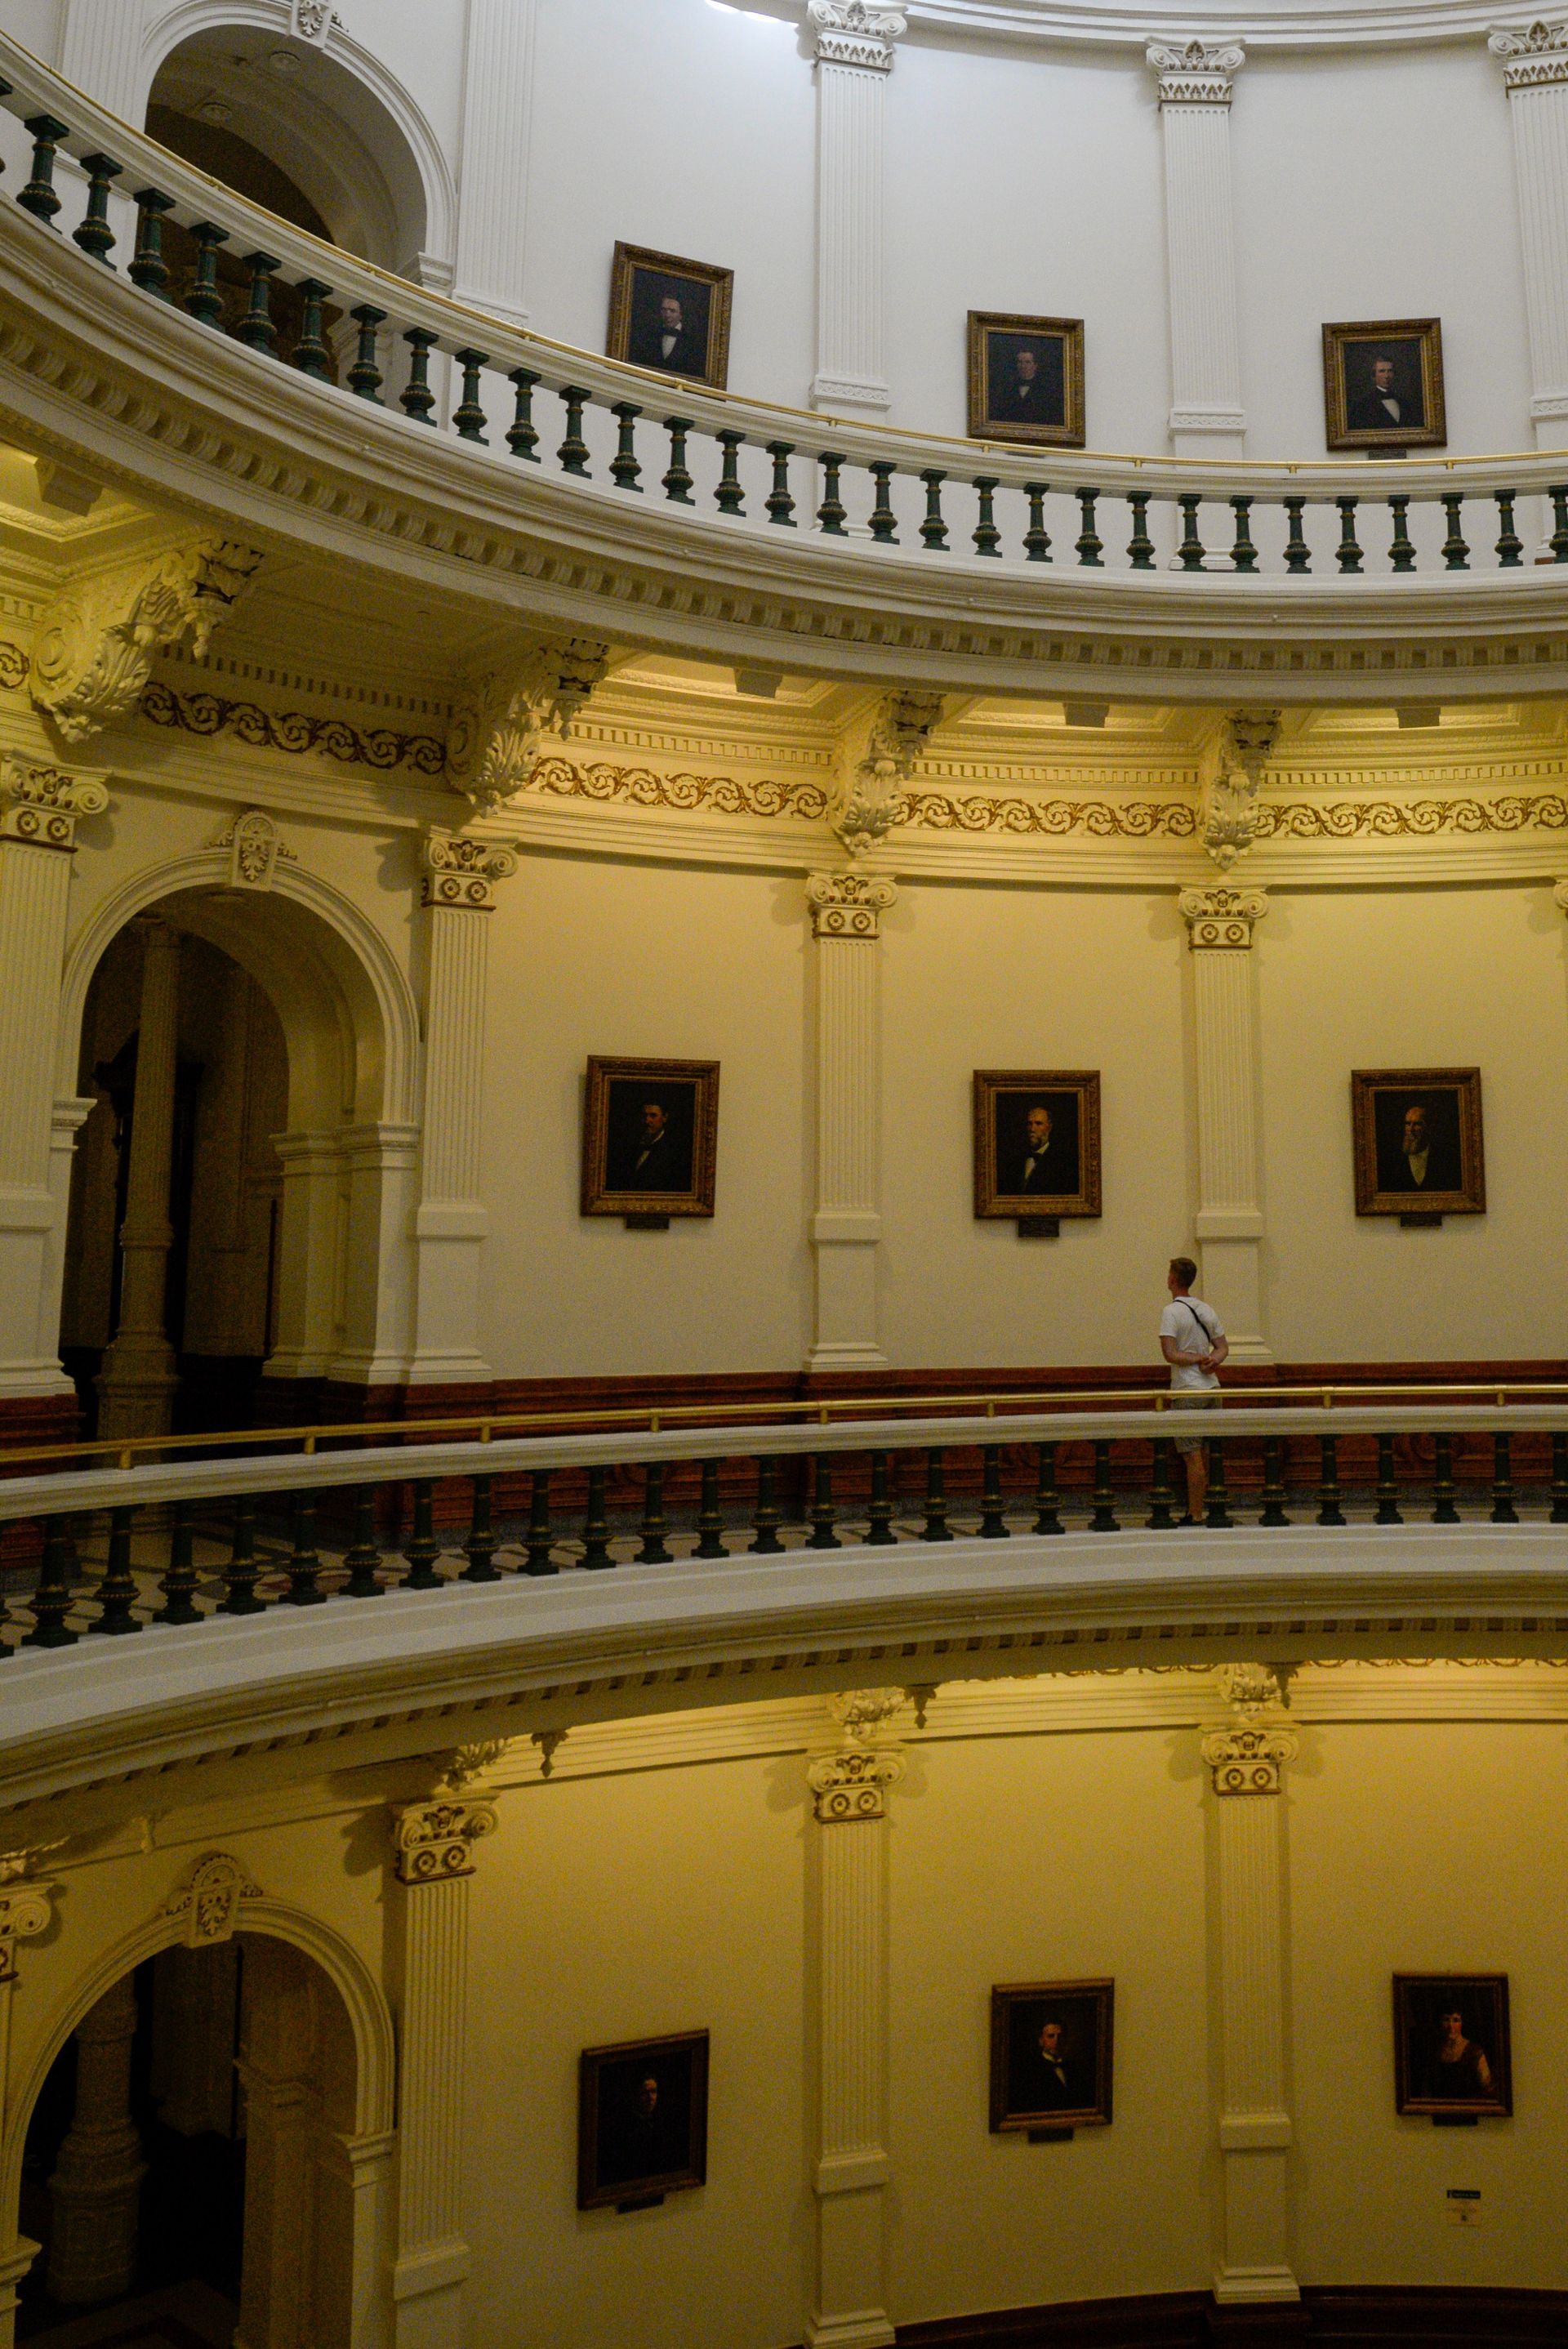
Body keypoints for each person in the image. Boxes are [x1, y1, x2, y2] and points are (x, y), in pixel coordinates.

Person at [1159, 1256, 1228, 1523]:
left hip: (1188, 1389)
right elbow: (1223, 1347)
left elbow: (1170, 1353)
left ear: (1173, 1279)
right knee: (1207, 1451)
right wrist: (1213, 1360)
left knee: (1191, 1455)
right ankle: (1207, 1506)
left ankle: (1195, 1512)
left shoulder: (1171, 1312)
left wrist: (1197, 1360)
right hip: (1212, 1388)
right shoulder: (1205, 1309)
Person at [608, 1099, 686, 1192]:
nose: (647, 1120)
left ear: (665, 1117)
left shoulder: (674, 1151)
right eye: (644, 1116)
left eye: (653, 1116)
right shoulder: (631, 1144)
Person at [1379, 1102, 1456, 1193]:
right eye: (1408, 1124)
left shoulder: (1443, 1157)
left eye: (1417, 1124)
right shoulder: (1392, 1159)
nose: (1411, 1130)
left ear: (1427, 1127)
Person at [1424, 2006, 1494, 2102]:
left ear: (1462, 2023)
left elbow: (1487, 2088)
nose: (1451, 2026)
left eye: (1456, 2020)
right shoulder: (1434, 2052)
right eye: (1446, 2020)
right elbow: (1427, 2090)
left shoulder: (1474, 2051)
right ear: (1439, 2023)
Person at [630, 290, 702, 378]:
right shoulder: (649, 336)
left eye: (672, 311)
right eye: (664, 310)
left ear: (681, 315)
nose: (667, 315)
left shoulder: (692, 341)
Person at [1348, 352, 1419, 434]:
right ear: (1374, 375)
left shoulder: (1404, 403)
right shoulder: (1362, 405)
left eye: (1390, 371)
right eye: (1382, 371)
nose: (1386, 376)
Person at [1019, 2017, 1081, 2112]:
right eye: (1051, 2036)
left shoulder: (1074, 2068)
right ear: (1041, 2041)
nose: (1057, 2040)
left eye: (1061, 2036)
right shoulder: (1030, 2070)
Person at [1013, 1103, 1074, 1196]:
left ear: (1049, 1127)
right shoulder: (1016, 1159)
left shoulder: (1062, 1162)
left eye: (1038, 1123)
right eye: (1029, 1123)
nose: (1032, 1129)